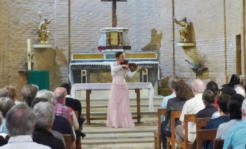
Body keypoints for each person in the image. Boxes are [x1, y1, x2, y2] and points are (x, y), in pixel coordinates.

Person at [107, 52, 141, 128]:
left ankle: (124, 122)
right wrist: (122, 65)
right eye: (122, 57)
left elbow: (130, 75)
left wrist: (136, 70)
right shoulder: (113, 64)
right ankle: (115, 123)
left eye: (123, 57)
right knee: (114, 104)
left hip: (123, 87)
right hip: (115, 86)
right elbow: (113, 70)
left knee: (124, 105)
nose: (123, 58)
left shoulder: (126, 66)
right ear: (117, 58)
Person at [161, 80, 190, 149]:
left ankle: (166, 147)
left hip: (172, 130)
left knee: (163, 125)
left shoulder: (171, 101)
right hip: (184, 129)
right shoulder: (188, 102)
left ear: (175, 91)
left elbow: (167, 117)